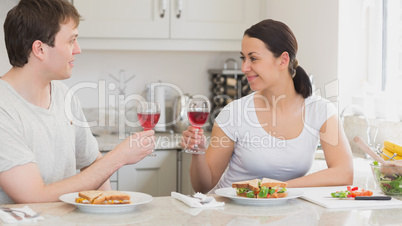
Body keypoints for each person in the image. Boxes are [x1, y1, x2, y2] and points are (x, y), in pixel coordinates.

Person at [0, 0, 155, 204]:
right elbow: (34, 196)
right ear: (40, 49)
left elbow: (92, 164)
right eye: (71, 40)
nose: (78, 49)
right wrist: (119, 157)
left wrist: (107, 212)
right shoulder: (5, 108)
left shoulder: (64, 96)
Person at [181, 19, 354, 193]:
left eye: (253, 58)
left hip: (287, 214)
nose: (244, 67)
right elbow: (203, 186)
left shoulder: (320, 110)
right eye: (243, 58)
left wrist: (276, 189)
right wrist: (198, 154)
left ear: (283, 60)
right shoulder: (234, 113)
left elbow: (344, 173)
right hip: (233, 214)